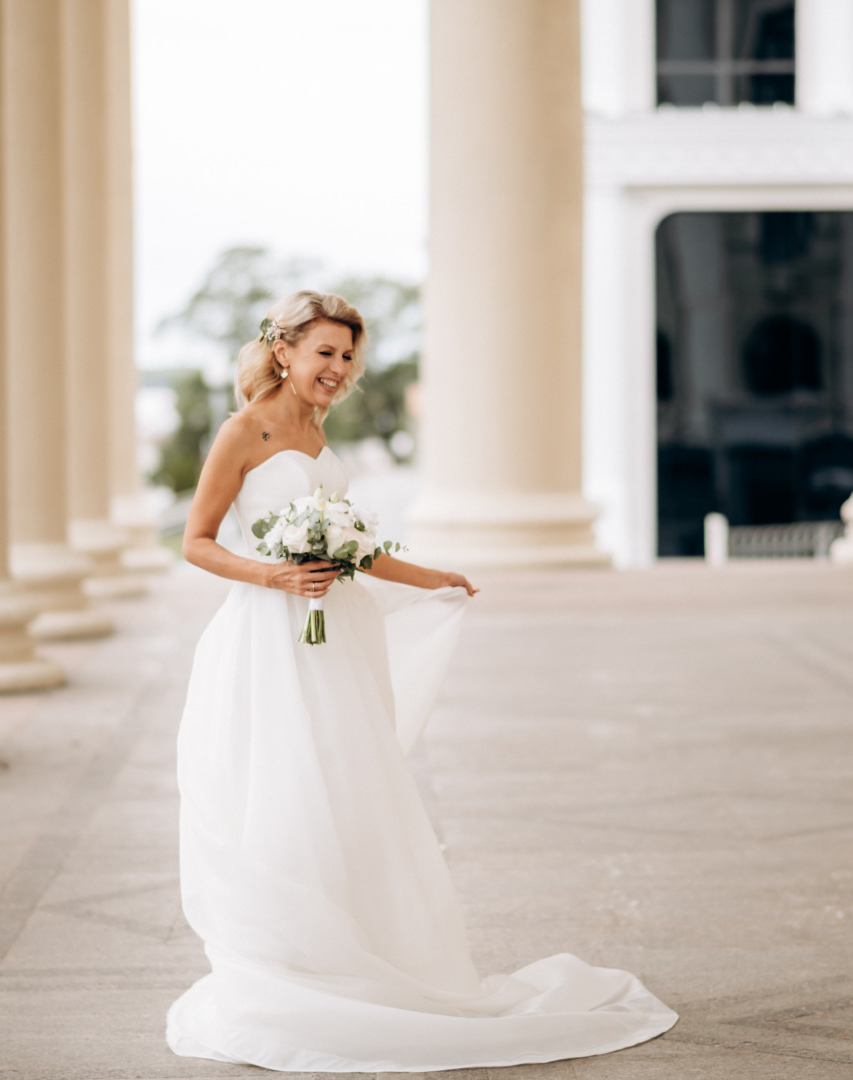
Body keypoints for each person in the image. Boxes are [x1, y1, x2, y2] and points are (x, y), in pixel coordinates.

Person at [167, 290, 677, 1071]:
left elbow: (351, 547)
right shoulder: (246, 430)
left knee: (344, 783)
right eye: (324, 353)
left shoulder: (317, 430)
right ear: (283, 351)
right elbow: (197, 542)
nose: (337, 369)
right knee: (280, 783)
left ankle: (350, 941)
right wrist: (272, 578)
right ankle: (286, 956)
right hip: (267, 640)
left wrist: (428, 574)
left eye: (347, 357)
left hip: (330, 634)